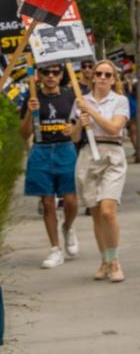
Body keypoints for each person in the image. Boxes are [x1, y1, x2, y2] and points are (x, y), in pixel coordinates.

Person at [71, 59, 130, 283]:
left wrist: (91, 112)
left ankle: (115, 261)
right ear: (92, 77)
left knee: (108, 210)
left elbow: (115, 128)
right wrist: (79, 122)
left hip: (112, 155)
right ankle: (104, 260)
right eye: (99, 73)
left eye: (108, 74)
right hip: (88, 154)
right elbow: (75, 137)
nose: (103, 78)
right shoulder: (80, 100)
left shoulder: (120, 101)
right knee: (95, 212)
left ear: (113, 79)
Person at [19, 64, 79, 268]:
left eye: (55, 72)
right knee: (47, 202)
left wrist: (74, 127)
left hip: (65, 149)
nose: (51, 76)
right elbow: (24, 133)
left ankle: (68, 227)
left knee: (71, 199)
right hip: (41, 149)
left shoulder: (69, 95)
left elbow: (79, 125)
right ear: (39, 76)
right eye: (46, 72)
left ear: (61, 75)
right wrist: (29, 112)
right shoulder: (32, 96)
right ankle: (55, 249)